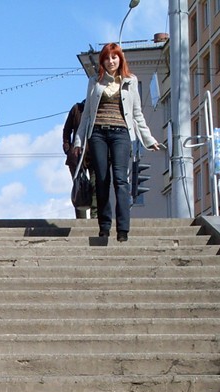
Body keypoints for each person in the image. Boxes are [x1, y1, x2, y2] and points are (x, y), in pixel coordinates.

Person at [72, 42, 159, 242]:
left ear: (120, 59)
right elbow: (86, 115)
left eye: (114, 57)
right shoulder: (95, 81)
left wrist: (148, 139)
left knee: (121, 180)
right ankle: (104, 226)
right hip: (98, 134)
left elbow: (137, 114)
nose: (111, 61)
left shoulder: (130, 81)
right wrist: (78, 140)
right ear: (102, 60)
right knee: (102, 180)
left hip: (121, 134)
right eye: (107, 58)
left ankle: (123, 229)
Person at [63, 99, 97, 219]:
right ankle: (81, 219)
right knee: (79, 187)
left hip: (95, 155)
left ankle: (95, 217)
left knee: (95, 185)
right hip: (76, 157)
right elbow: (66, 131)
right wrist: (68, 150)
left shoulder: (98, 109)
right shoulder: (77, 109)